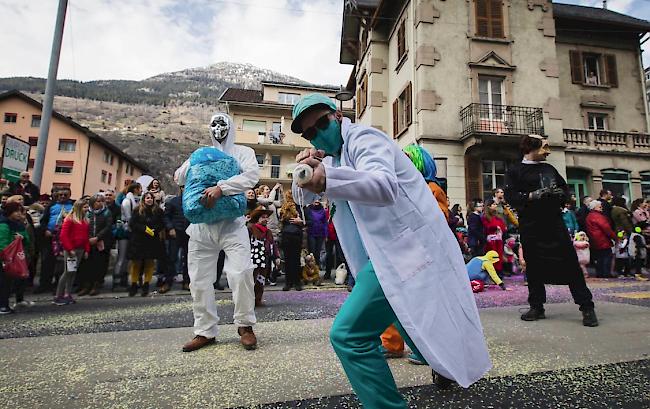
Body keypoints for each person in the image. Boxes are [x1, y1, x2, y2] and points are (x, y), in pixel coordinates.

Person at [291, 93, 490, 408]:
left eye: (321, 124)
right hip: (382, 256)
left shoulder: (365, 139)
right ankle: (442, 362)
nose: (317, 134)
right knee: (410, 316)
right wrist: (307, 169)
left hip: (399, 251)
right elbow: (303, 199)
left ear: (337, 115)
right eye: (309, 133)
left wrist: (326, 178)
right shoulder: (332, 157)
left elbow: (383, 185)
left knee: (349, 336)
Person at [175, 112, 259, 352]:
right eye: (214, 125)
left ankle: (245, 325)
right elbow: (179, 176)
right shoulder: (200, 154)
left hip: (232, 224)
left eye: (223, 125)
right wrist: (196, 167)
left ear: (231, 127)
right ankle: (205, 331)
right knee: (199, 279)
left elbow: (250, 177)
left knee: (241, 272)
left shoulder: (244, 153)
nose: (218, 129)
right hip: (202, 227)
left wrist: (222, 188)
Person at [505, 134, 598, 327]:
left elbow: (565, 191)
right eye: (544, 147)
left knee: (571, 264)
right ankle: (536, 306)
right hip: (531, 225)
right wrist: (532, 196)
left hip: (554, 224)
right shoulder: (515, 171)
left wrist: (562, 195)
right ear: (531, 147)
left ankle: (587, 307)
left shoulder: (549, 169)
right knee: (533, 266)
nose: (548, 151)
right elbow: (511, 196)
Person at [126, 192, 164, 297]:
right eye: (147, 198)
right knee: (136, 263)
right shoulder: (137, 210)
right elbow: (133, 223)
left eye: (151, 198)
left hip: (152, 241)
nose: (149, 200)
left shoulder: (158, 211)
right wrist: (144, 229)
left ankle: (146, 284)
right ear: (144, 199)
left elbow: (161, 223)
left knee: (149, 262)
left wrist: (155, 229)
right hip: (138, 240)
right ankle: (134, 284)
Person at [37, 187, 73, 294]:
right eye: (60, 195)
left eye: (65, 195)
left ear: (69, 195)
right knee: (47, 261)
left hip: (65, 239)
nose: (62, 197)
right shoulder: (51, 206)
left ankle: (58, 285)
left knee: (61, 263)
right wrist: (46, 230)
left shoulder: (73, 207)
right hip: (51, 237)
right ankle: (44, 284)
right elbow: (43, 220)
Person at [54, 199, 90, 306]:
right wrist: (70, 249)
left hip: (80, 249)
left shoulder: (85, 220)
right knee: (67, 272)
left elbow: (86, 237)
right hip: (71, 250)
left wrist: (86, 249)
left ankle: (67, 293)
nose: (87, 209)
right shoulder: (69, 219)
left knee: (73, 272)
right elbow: (63, 236)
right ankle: (58, 295)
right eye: (85, 207)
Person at [78, 194, 113, 296]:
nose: (100, 203)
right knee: (87, 264)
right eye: (98, 201)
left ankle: (96, 285)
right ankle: (86, 285)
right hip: (87, 242)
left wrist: (97, 237)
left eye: (102, 201)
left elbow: (108, 226)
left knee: (99, 264)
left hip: (100, 241)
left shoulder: (107, 212)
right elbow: (82, 225)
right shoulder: (87, 212)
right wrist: (88, 238)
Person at [0, 202, 31, 314]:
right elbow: (2, 244)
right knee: (3, 283)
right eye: (16, 211)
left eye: (20, 211)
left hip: (16, 257)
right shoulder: (4, 224)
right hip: (6, 259)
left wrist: (22, 238)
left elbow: (27, 240)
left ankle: (6, 303)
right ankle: (2, 305)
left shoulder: (18, 225)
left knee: (8, 282)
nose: (19, 214)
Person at [162, 186, 191, 293]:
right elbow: (166, 216)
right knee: (171, 258)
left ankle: (186, 282)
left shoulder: (193, 201)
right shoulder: (173, 201)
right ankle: (168, 282)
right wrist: (170, 228)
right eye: (183, 187)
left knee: (188, 259)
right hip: (176, 233)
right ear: (181, 189)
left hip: (189, 234)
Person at [247, 207, 278, 306]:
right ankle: (248, 300)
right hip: (253, 259)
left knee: (261, 280)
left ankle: (258, 299)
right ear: (258, 218)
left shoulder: (268, 232)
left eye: (266, 217)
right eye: (263, 217)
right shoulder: (251, 228)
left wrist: (276, 257)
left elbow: (273, 244)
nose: (265, 219)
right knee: (252, 280)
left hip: (265, 259)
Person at [113, 183, 141, 289]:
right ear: (135, 189)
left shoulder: (133, 200)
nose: (141, 191)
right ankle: (116, 281)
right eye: (140, 189)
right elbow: (129, 218)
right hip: (125, 231)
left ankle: (123, 279)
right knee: (122, 256)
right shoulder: (127, 201)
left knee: (127, 258)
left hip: (131, 231)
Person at [279, 191, 305, 291]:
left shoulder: (301, 207)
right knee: (287, 260)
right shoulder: (283, 208)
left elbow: (309, 221)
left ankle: (297, 282)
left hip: (296, 236)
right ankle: (288, 282)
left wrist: (301, 221)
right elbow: (280, 221)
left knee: (296, 260)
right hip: (286, 235)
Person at [586, 200, 616, 278]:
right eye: (599, 206)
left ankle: (600, 273)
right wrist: (614, 237)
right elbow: (607, 228)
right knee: (606, 256)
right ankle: (606, 273)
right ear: (594, 207)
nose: (601, 208)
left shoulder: (589, 216)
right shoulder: (598, 216)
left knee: (599, 257)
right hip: (603, 239)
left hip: (595, 239)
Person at [482, 199, 506, 276]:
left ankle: (499, 272)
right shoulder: (485, 216)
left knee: (499, 256)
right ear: (489, 206)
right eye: (494, 204)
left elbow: (502, 225)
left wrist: (500, 228)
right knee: (492, 257)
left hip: (499, 239)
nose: (496, 206)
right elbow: (486, 226)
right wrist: (495, 227)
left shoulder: (497, 216)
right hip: (491, 241)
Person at [305, 198, 328, 267]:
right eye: (315, 200)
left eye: (318, 200)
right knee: (312, 251)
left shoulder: (322, 210)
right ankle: (311, 267)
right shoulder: (308, 210)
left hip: (320, 234)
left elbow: (325, 223)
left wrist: (326, 234)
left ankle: (317, 267)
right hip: (311, 233)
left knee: (318, 252)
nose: (317, 201)